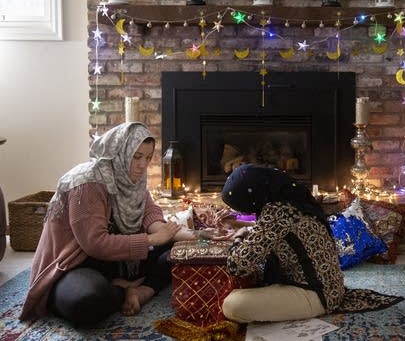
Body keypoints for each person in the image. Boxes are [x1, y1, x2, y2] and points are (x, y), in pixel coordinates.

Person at [19, 122, 197, 326]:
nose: (143, 165)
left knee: (181, 252)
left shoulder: (133, 178)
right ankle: (121, 290)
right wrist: (151, 239)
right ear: (120, 152)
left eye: (148, 158)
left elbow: (152, 217)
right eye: (137, 156)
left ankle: (142, 291)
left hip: (113, 261)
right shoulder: (86, 183)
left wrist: (195, 236)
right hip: (75, 264)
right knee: (85, 302)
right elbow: (94, 243)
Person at [220, 163, 346, 323]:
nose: (243, 211)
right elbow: (275, 230)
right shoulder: (290, 199)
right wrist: (243, 228)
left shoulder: (277, 212)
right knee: (250, 287)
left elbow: (238, 266)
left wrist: (237, 238)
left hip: (316, 294)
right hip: (329, 287)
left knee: (231, 304)